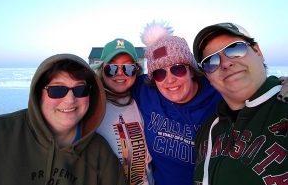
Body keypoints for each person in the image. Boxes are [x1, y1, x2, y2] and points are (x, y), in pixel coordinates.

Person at [132, 21, 288, 185]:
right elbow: (117, 82)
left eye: (178, 68)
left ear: (192, 70)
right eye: (159, 73)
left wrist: (279, 85)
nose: (170, 79)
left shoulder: (220, 95)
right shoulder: (145, 91)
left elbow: (251, 92)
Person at [0, 53, 126, 185]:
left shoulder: (100, 153)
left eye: (80, 89)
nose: (70, 100)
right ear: (38, 94)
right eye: (57, 90)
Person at [192, 22, 288, 185]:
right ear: (208, 77)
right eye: (211, 61)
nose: (225, 63)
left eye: (235, 49)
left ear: (258, 51)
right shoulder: (208, 130)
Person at [94, 39, 154, 185]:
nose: (120, 73)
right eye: (112, 68)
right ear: (102, 70)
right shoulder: (92, 105)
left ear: (137, 71)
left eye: (128, 68)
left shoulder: (141, 101)